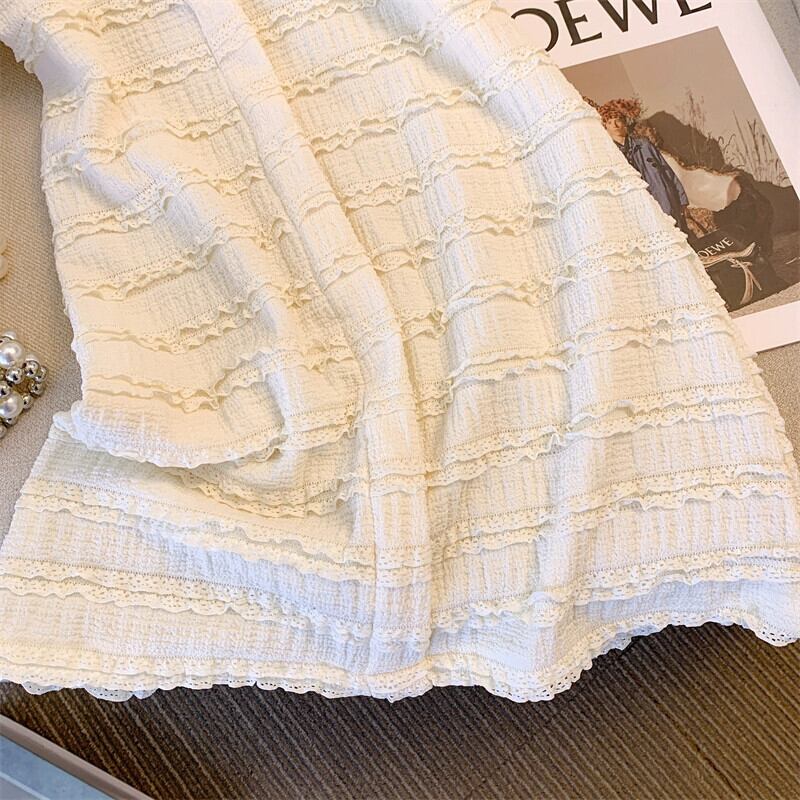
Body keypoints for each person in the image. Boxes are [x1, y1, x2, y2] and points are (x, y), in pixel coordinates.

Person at [585, 96, 690, 236]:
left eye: (618, 120)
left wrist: (682, 199)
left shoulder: (644, 145)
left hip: (664, 202)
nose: (615, 125)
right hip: (639, 209)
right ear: (605, 126)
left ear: (625, 122)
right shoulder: (608, 155)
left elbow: (667, 171)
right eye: (609, 122)